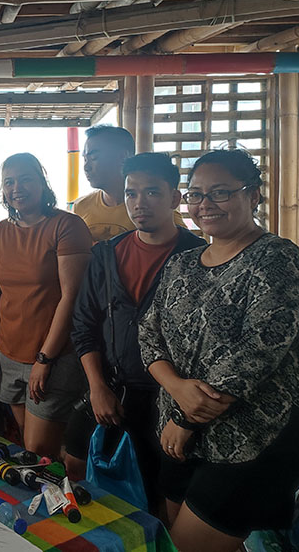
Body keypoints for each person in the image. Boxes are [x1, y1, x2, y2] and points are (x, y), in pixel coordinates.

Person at [139, 149, 299, 552]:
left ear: (253, 195)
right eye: (196, 194)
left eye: (220, 192)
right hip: (178, 428)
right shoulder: (182, 263)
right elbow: (148, 333)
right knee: (174, 536)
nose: (205, 204)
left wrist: (187, 417)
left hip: (253, 435)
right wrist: (175, 390)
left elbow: (255, 354)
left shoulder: (277, 259)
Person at [66, 152, 206, 491]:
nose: (139, 203)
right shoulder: (107, 254)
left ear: (174, 198)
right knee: (73, 460)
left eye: (152, 192)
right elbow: (84, 324)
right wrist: (98, 387)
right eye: (131, 193)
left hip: (166, 399)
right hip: (109, 387)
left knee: (154, 488)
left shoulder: (199, 256)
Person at [0, 153, 92, 457]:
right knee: (27, 444)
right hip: (8, 351)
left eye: (25, 179)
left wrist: (44, 359)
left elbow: (71, 298)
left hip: (54, 354)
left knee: (38, 449)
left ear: (42, 183)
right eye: (9, 182)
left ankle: (70, 497)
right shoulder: (0, 231)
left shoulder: (67, 226)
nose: (16, 187)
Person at [74, 125, 185, 242]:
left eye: (94, 157)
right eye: (85, 159)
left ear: (122, 156)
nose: (86, 167)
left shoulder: (157, 214)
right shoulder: (81, 206)